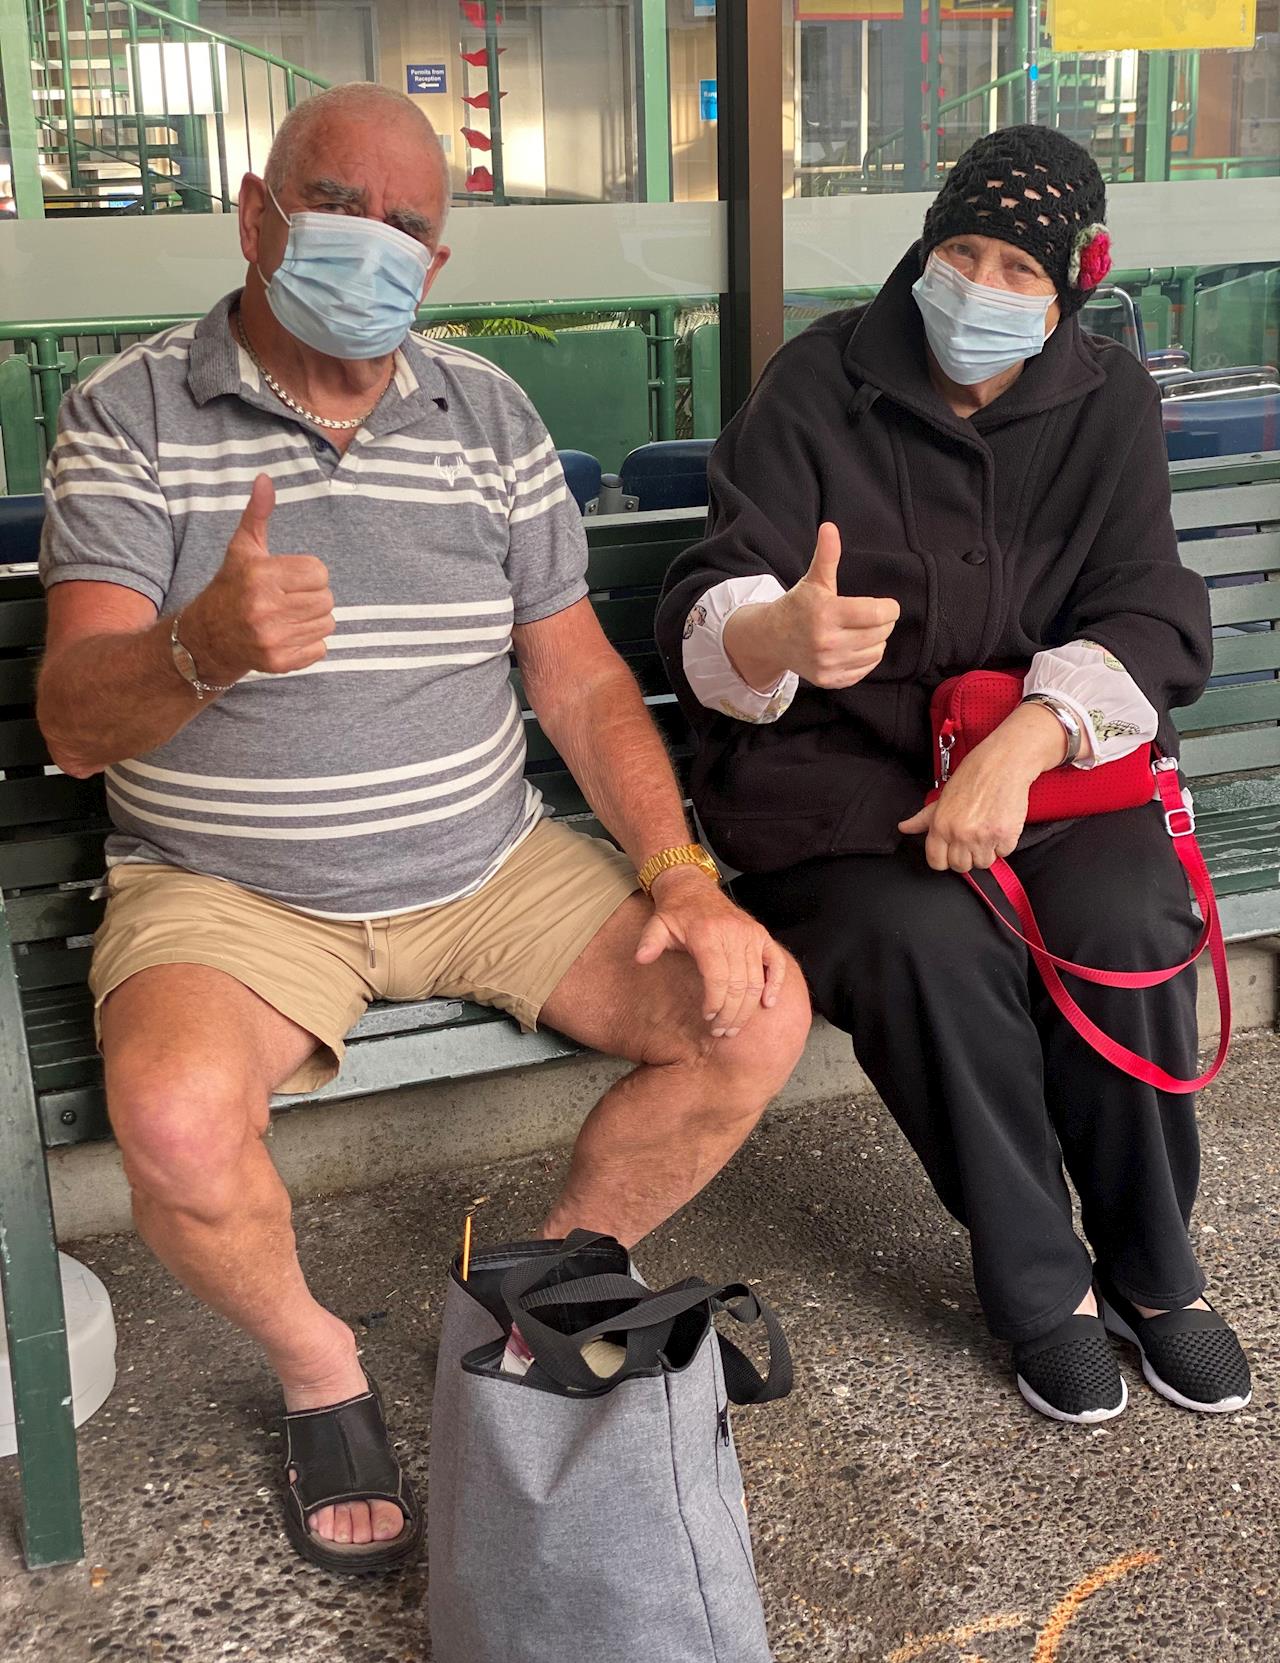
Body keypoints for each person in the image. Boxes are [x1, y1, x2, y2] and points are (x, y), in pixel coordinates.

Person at [36, 82, 810, 1572]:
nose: (370, 244)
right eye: (336, 206)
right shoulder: (129, 413)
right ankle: (320, 1365)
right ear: (256, 218)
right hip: (230, 892)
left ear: (438, 263)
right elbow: (73, 721)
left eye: (406, 225)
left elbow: (578, 678)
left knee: (756, 1012)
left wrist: (682, 878)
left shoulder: (489, 413)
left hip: (488, 865)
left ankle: (550, 1285)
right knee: (177, 1126)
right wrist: (201, 647)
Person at [657, 125, 1251, 1426]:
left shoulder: (1108, 400)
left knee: (1126, 917)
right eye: (961, 252)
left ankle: (1154, 1271)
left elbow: (1148, 603)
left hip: (1045, 774)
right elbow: (712, 595)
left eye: (1018, 269)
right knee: (929, 947)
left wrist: (1023, 745)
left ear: (1071, 285)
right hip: (840, 792)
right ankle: (1044, 1288)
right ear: (925, 248)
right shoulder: (816, 383)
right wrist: (777, 635)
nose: (979, 287)